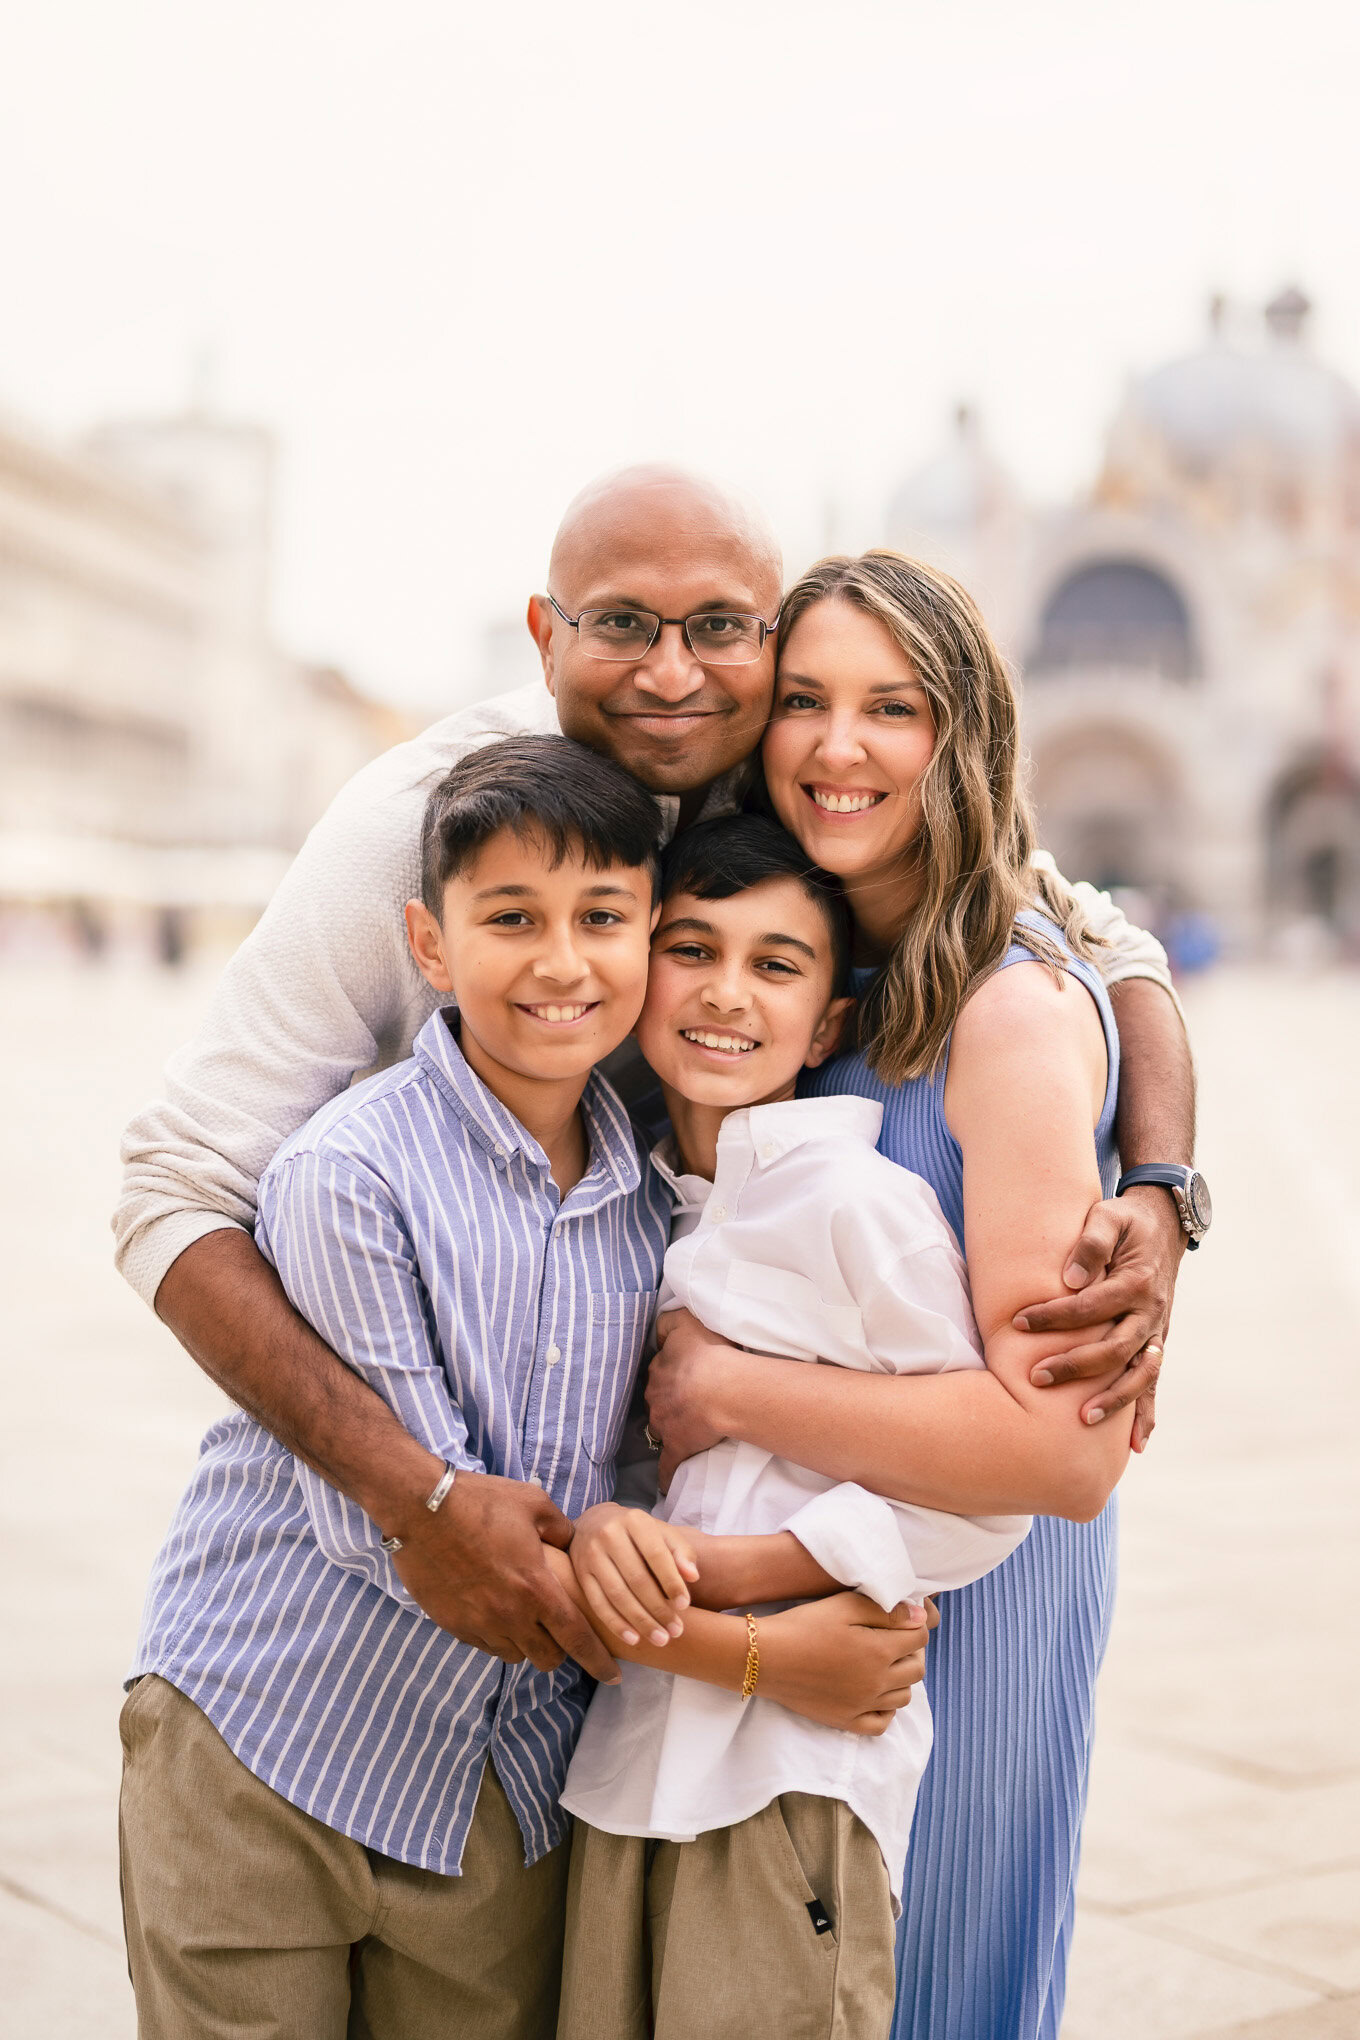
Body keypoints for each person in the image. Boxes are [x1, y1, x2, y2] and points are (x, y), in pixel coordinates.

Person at [114, 469, 1194, 2030]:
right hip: (549, 1659)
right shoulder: (433, 815)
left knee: (940, 1951)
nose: (677, 673)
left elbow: (1101, 942)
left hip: (898, 1565)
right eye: (625, 626)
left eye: (721, 633)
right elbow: (168, 1183)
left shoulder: (800, 788)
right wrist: (421, 1498)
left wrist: (1159, 1184)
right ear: (549, 633)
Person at [119, 738, 926, 2039]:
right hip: (272, 1742)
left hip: (496, 1791)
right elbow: (446, 1555)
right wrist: (775, 1656)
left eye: (605, 920)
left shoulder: (656, 1210)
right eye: (510, 920)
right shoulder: (350, 1176)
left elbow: (626, 1495)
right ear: (429, 948)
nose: (563, 962)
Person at [642, 550, 1204, 2040]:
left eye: (893, 708)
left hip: (972, 1606)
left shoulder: (1003, 1009)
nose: (839, 747)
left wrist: (722, 1390)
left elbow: (1062, 1455)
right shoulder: (820, 952)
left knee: (933, 1979)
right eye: (808, 702)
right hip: (809, 1582)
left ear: (964, 737)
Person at [554, 815, 1032, 2040]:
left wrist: (745, 1575)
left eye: (774, 965)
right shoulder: (649, 1206)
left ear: (826, 1023)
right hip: (626, 1770)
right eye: (691, 948)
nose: (724, 992)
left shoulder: (858, 1205)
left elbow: (987, 1495)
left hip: (792, 1777)